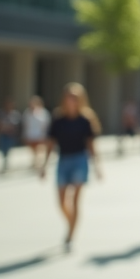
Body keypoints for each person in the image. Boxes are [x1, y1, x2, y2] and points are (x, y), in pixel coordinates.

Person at [39, 83, 102, 251]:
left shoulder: (85, 119)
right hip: (63, 160)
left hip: (80, 160)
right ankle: (71, 223)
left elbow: (91, 144)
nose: (71, 100)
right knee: (61, 201)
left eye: (75, 97)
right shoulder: (58, 119)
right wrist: (44, 165)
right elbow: (50, 143)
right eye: (69, 97)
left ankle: (70, 235)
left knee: (74, 200)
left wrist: (97, 166)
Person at [0, 98, 21, 175]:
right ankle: (4, 161)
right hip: (2, 134)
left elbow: (16, 125)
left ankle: (6, 162)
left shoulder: (15, 114)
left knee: (8, 148)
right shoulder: (1, 113)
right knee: (2, 148)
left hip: (10, 135)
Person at [23, 96, 51, 173]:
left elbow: (46, 124)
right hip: (30, 135)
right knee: (33, 151)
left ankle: (37, 163)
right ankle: (35, 162)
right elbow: (26, 125)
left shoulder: (43, 112)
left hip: (40, 135)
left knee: (39, 150)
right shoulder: (27, 113)